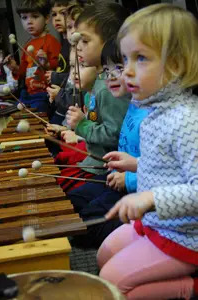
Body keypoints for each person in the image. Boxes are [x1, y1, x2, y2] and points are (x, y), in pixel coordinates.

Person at [97, 4, 198, 299]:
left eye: (140, 58)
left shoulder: (186, 120)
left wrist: (150, 197)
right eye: (126, 58)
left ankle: (188, 288)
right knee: (105, 255)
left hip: (184, 236)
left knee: (110, 284)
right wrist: (137, 163)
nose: (126, 70)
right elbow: (173, 167)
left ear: (176, 65)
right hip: (157, 223)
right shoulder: (157, 109)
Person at [67, 39, 148, 248]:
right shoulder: (134, 104)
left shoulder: (151, 117)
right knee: (71, 201)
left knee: (86, 225)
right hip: (120, 178)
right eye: (106, 69)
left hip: (138, 189)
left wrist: (128, 178)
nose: (110, 76)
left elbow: (164, 170)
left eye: (118, 68)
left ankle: (141, 235)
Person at [57, 2, 130, 193]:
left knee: (70, 195)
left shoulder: (109, 86)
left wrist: (82, 125)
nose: (78, 47)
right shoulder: (100, 80)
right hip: (95, 163)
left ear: (109, 43)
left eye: (85, 41)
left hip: (104, 169)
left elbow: (114, 134)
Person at [5, 0, 61, 112]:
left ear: (46, 19)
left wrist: (46, 64)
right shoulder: (26, 45)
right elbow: (23, 72)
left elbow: (59, 67)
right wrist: (14, 67)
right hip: (28, 93)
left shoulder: (51, 41)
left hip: (45, 93)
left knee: (40, 109)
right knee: (14, 109)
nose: (29, 22)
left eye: (34, 17)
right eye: (24, 18)